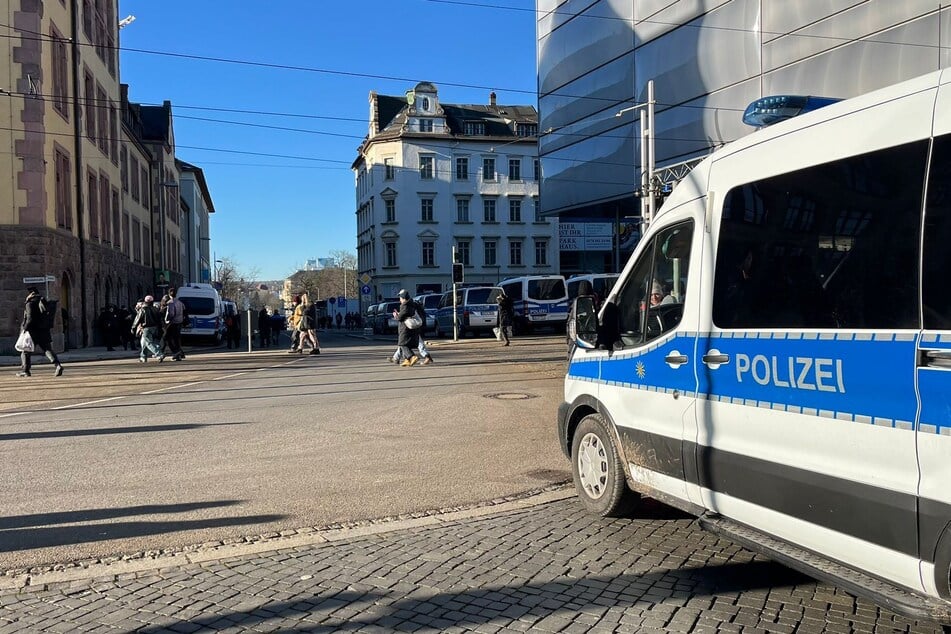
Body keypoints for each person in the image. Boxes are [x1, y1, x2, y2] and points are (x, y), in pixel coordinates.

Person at [16, 287, 63, 377]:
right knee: (47, 349)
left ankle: (26, 371)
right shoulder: (44, 302)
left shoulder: (30, 303)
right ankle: (58, 365)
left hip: (32, 332)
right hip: (44, 330)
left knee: (25, 351)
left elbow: (30, 318)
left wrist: (25, 329)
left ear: (31, 294)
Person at [131, 295, 165, 363]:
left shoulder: (143, 309)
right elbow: (160, 319)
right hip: (155, 328)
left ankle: (159, 354)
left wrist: (133, 328)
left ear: (145, 301)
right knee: (144, 342)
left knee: (149, 343)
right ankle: (143, 357)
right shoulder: (156, 309)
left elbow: (137, 319)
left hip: (146, 328)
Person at [394, 289, 421, 366]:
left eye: (400, 298)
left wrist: (397, 316)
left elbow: (401, 317)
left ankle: (412, 356)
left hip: (405, 329)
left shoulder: (405, 305)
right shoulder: (411, 304)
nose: (399, 300)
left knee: (402, 344)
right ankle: (407, 360)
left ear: (403, 298)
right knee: (406, 344)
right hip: (410, 328)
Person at [163, 287, 186, 361]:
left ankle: (176, 353)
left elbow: (171, 314)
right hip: (179, 322)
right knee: (176, 339)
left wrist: (167, 320)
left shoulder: (171, 303)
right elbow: (184, 312)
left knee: (168, 339)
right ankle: (179, 353)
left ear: (169, 294)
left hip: (172, 323)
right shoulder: (180, 303)